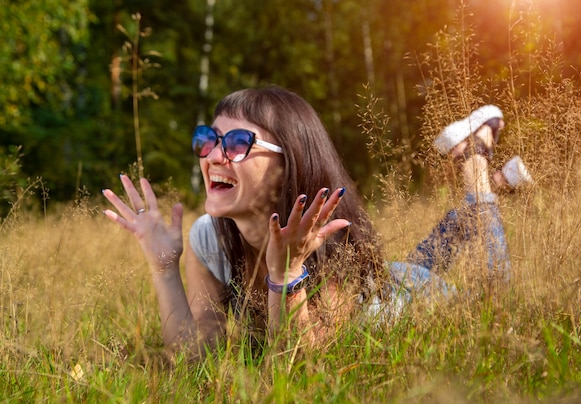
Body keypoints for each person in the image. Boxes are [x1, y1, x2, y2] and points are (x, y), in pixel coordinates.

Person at [102, 86, 387, 356]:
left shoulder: (332, 240)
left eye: (238, 143)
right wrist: (164, 269)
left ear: (289, 161)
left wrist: (287, 273)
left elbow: (302, 371)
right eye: (209, 140)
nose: (213, 156)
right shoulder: (208, 238)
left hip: (420, 288)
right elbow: (198, 355)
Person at [397, 105, 532, 294]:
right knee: (497, 290)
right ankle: (478, 165)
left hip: (389, 287)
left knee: (407, 275)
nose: (501, 126)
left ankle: (476, 162)